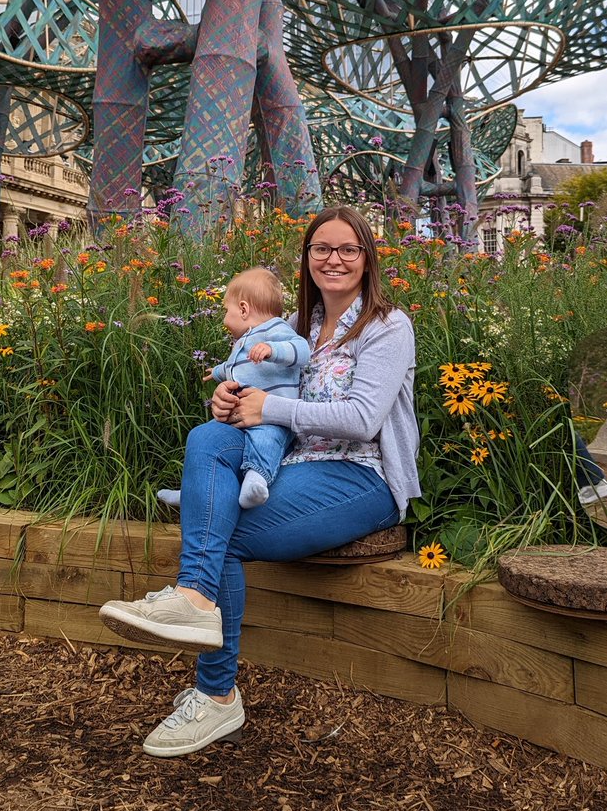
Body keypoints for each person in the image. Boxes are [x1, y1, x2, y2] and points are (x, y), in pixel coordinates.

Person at [99, 206, 421, 758]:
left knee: (221, 532)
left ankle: (215, 692)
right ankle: (196, 601)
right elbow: (255, 392)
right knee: (206, 436)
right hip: (288, 465)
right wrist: (228, 401)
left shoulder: (387, 326)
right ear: (308, 259)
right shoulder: (295, 328)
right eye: (321, 249)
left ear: (367, 258)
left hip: (362, 476)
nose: (334, 259)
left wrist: (269, 407)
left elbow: (364, 418)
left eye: (348, 249)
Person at [158, 267, 311, 510]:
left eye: (225, 311)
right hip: (240, 417)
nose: (223, 318)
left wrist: (273, 350)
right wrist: (217, 372)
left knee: (266, 442)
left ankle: (256, 481)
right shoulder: (244, 341)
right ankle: (193, 491)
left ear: (243, 309)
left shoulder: (276, 329)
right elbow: (235, 367)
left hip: (272, 417)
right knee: (205, 438)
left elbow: (302, 351)